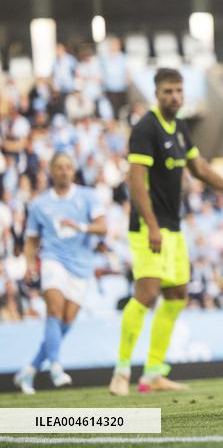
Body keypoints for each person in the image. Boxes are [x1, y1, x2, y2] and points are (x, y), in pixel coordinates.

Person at [109, 68, 223, 396]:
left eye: (178, 91)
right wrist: (151, 225)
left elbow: (200, 168)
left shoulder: (178, 127)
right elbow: (136, 180)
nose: (174, 97)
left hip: (173, 226)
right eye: (168, 91)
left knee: (177, 295)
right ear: (156, 94)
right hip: (148, 225)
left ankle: (153, 373)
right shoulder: (146, 128)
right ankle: (121, 371)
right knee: (146, 293)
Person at [13, 152, 106, 394]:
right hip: (53, 260)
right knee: (54, 309)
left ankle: (30, 369)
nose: (64, 171)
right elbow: (32, 239)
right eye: (59, 167)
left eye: (68, 167)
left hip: (81, 265)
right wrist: (28, 264)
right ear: (51, 171)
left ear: (73, 171)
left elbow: (103, 227)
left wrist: (80, 226)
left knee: (66, 320)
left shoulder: (87, 196)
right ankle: (55, 367)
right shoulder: (39, 204)